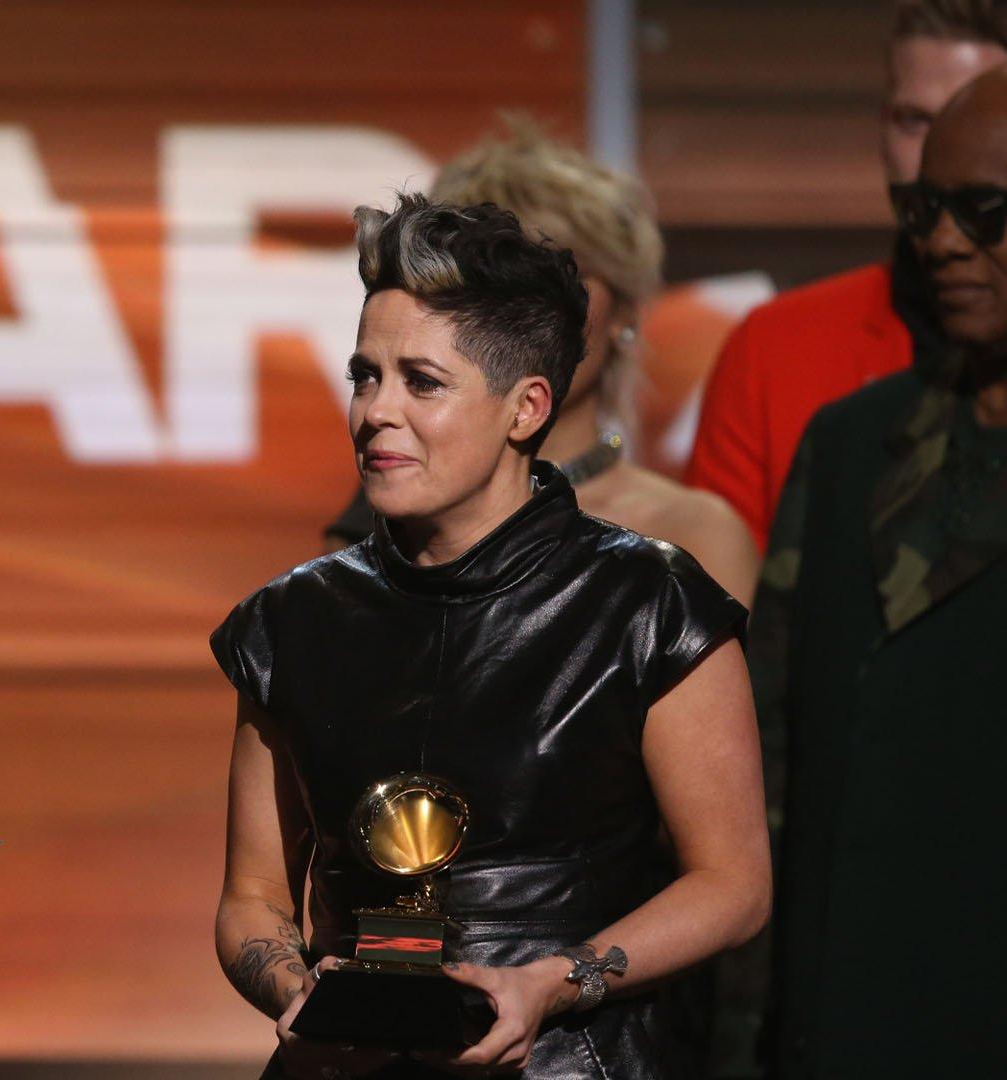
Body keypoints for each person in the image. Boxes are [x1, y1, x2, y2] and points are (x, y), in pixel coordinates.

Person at [213, 195, 770, 1078]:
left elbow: (734, 885)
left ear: (525, 408)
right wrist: (298, 990)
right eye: (365, 375)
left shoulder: (649, 604)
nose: (374, 413)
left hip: (571, 1060)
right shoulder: (290, 622)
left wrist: (551, 983)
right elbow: (251, 896)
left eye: (421, 382)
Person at [756, 65, 1007, 1079]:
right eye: (925, 207)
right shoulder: (852, 446)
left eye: (984, 211)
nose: (942, 240)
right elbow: (773, 765)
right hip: (844, 1025)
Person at [326, 121, 758, 605]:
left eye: (564, 278)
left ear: (624, 312)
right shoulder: (379, 523)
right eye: (486, 281)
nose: (520, 313)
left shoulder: (695, 534)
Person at [688, 0, 1007, 549]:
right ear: (881, 126)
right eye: (914, 120)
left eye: (968, 114)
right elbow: (715, 609)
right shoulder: (774, 348)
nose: (936, 151)